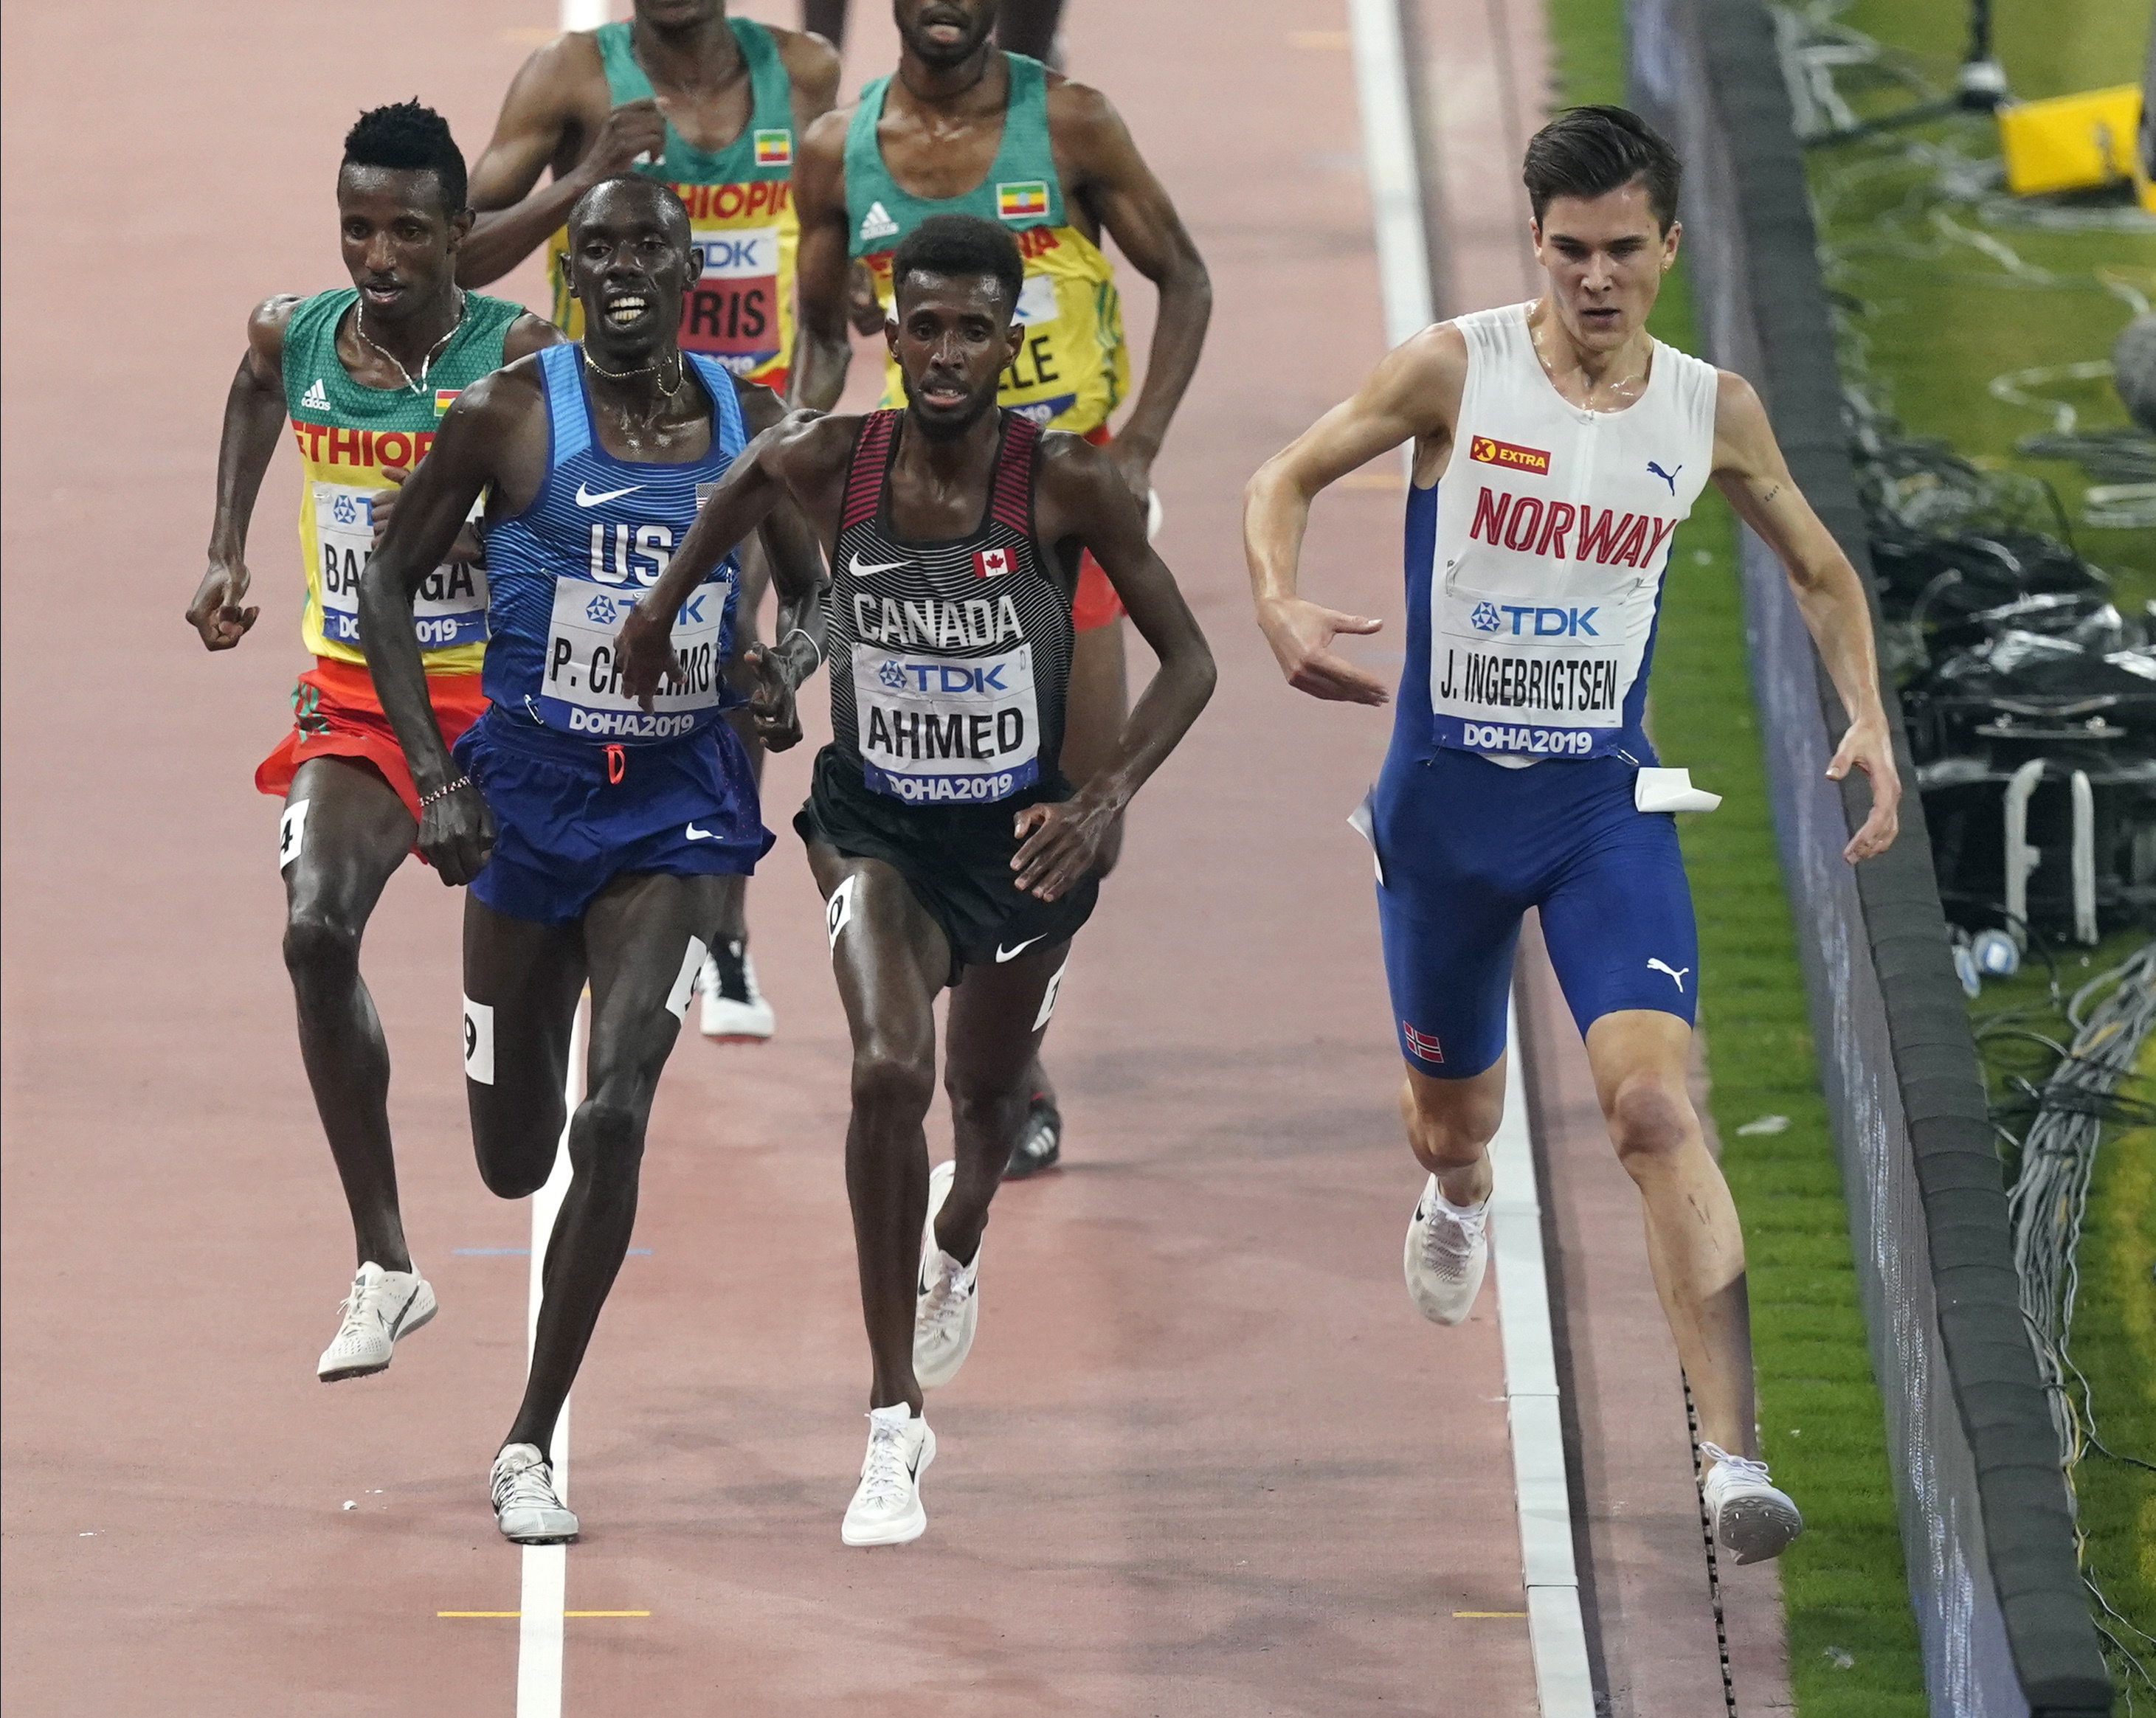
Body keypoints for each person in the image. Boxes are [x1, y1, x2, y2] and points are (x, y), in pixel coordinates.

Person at [1241, 105, 1901, 1566]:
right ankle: (1460, 1188)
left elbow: (1822, 568)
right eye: (1568, 252)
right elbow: (1275, 479)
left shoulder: (1709, 407)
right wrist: (1280, 601)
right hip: (1444, 825)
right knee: (1453, 1120)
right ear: (1533, 244)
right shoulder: (1452, 371)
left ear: (1669, 247)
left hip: (1602, 815)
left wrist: (1868, 716)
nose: (1595, 278)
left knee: (1654, 1110)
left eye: (1622, 252)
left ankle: (1734, 1460)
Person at [620, 214, 1215, 1545]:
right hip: (875, 830)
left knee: (983, 1102)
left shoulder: (1065, 483)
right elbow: (764, 538)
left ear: (1012, 341)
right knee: (888, 1070)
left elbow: (1190, 661)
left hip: (1018, 848)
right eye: (922, 327)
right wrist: (692, 633)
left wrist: (1100, 796)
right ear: (888, 332)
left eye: (972, 330)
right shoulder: (827, 457)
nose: (944, 353)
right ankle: (892, 1420)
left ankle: (961, 1224)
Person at [358, 174, 828, 1544]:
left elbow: (826, 588)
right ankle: (519, 1123)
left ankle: (529, 1435)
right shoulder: (509, 415)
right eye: (598, 250)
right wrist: (435, 776)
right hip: (523, 797)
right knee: (514, 1156)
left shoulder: (746, 421)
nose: (623, 270)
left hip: (677, 802)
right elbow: (390, 578)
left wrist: (783, 671)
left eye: (648, 247)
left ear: (691, 266)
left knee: (616, 1107)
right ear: (573, 277)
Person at [790, 0, 1211, 1177]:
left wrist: (1139, 447)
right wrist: (805, 439)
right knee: (921, 793)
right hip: (913, 519)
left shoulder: (1070, 127)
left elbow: (1184, 277)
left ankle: (994, 1034)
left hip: (1059, 516)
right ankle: (984, 1060)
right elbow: (822, 331)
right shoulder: (837, 152)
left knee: (1083, 827)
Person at [187, 101, 562, 1385]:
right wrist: (228, 546)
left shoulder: (515, 352)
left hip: (505, 711)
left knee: (517, 1138)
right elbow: (250, 391)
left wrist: (476, 536)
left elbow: (573, 508)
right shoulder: (295, 337)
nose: (380, 256)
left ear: (464, 230)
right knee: (311, 929)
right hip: (355, 700)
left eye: (409, 228)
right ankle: (386, 1264)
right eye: (359, 228)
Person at [458, 0, 843, 1043]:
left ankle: (717, 923)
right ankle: (612, 884)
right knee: (632, 650)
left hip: (736, 422)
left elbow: (831, 246)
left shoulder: (805, 72)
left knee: (725, 645)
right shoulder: (568, 80)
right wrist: (581, 180)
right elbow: (450, 255)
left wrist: (808, 398)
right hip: (598, 418)